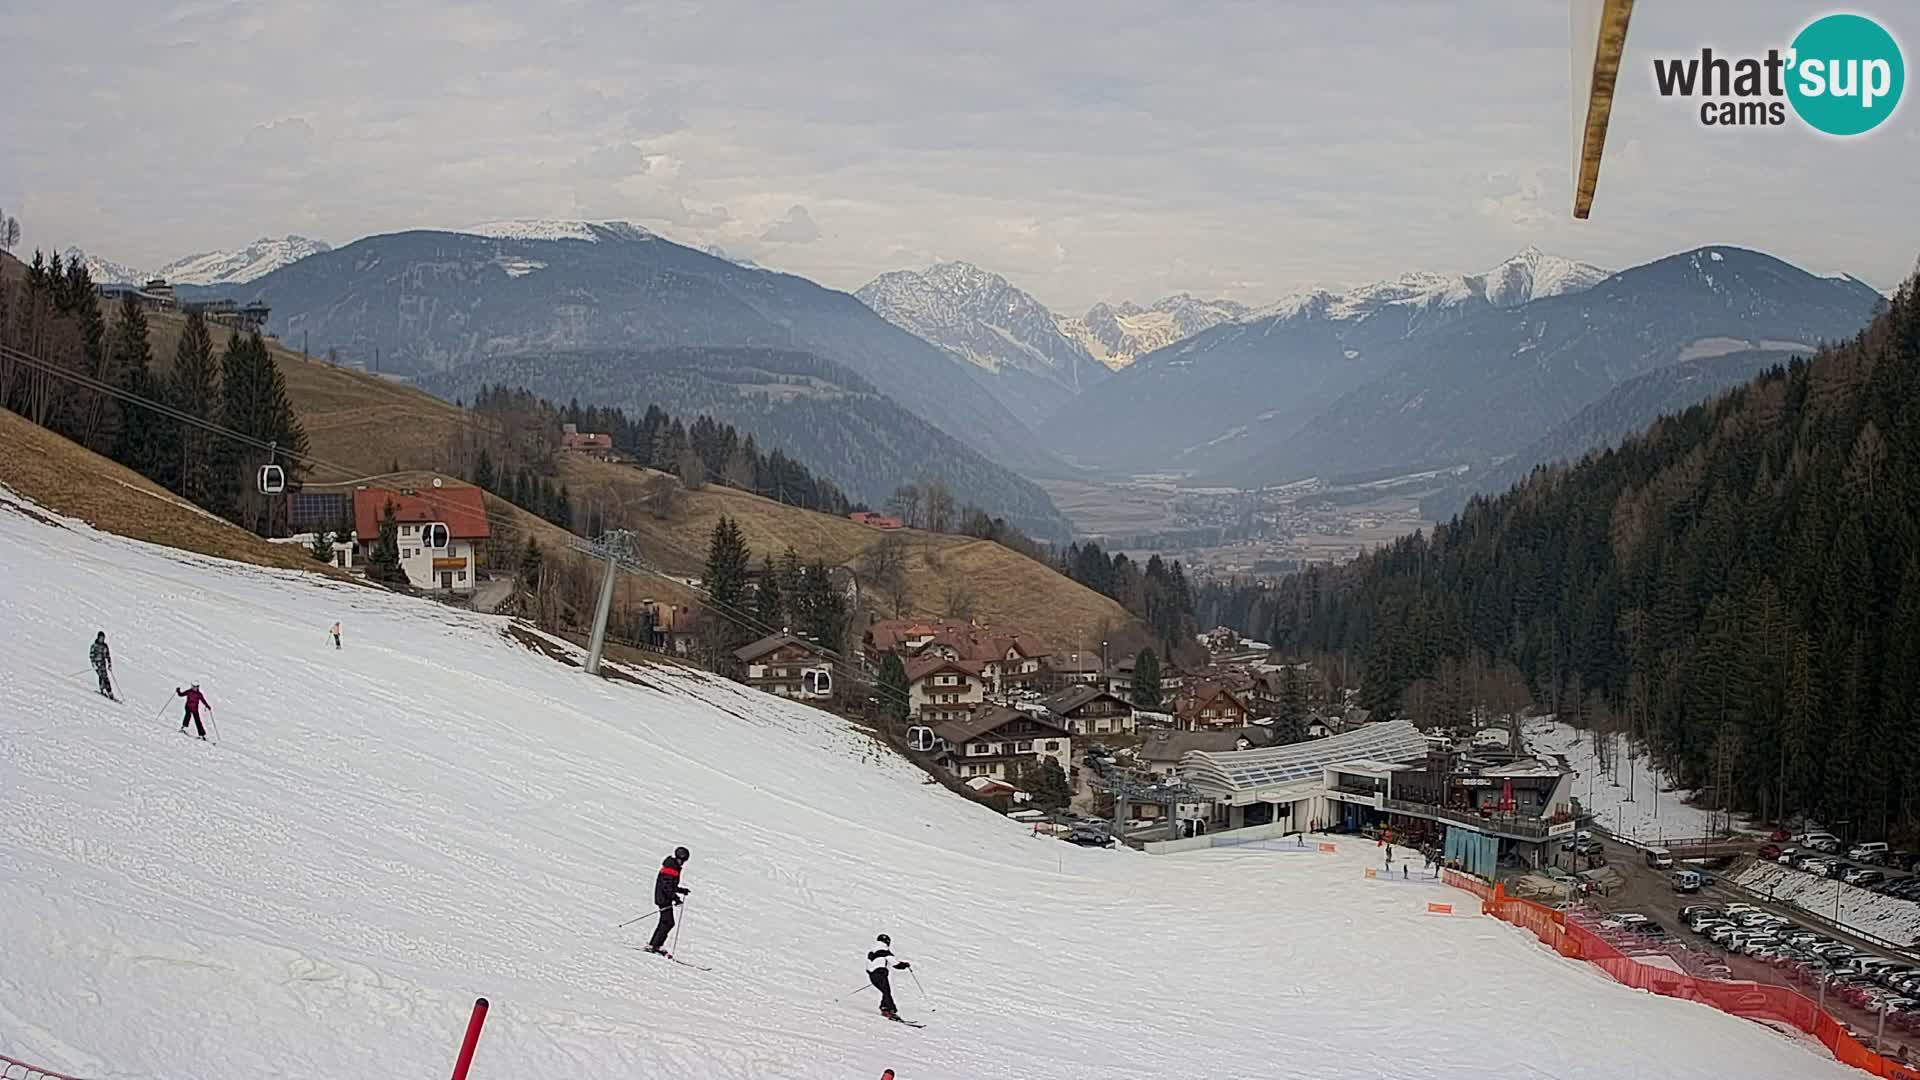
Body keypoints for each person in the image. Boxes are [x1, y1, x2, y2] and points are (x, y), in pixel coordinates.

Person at [646, 846, 690, 954]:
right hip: (663, 898)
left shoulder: (672, 866)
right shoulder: (671, 868)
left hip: (664, 897)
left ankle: (655, 945)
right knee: (667, 922)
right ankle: (654, 945)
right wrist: (676, 898)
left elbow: (669, 886)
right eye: (683, 860)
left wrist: (681, 890)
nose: (683, 863)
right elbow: (667, 887)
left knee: (667, 922)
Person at [867, 934, 910, 1018]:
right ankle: (890, 1010)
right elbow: (895, 964)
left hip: (872, 976)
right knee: (887, 992)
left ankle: (884, 1008)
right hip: (880, 974)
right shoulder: (885, 951)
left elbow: (869, 964)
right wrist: (905, 965)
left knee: (885, 992)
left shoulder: (871, 952)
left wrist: (873, 974)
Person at [89, 632, 114, 698]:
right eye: (101, 638)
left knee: (105, 677)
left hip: (103, 664)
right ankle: (104, 690)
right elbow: (91, 655)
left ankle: (109, 691)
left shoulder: (105, 646)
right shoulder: (94, 646)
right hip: (97, 665)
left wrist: (109, 664)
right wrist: (94, 664)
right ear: (98, 637)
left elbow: (108, 656)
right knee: (102, 676)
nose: (102, 639)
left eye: (103, 638)